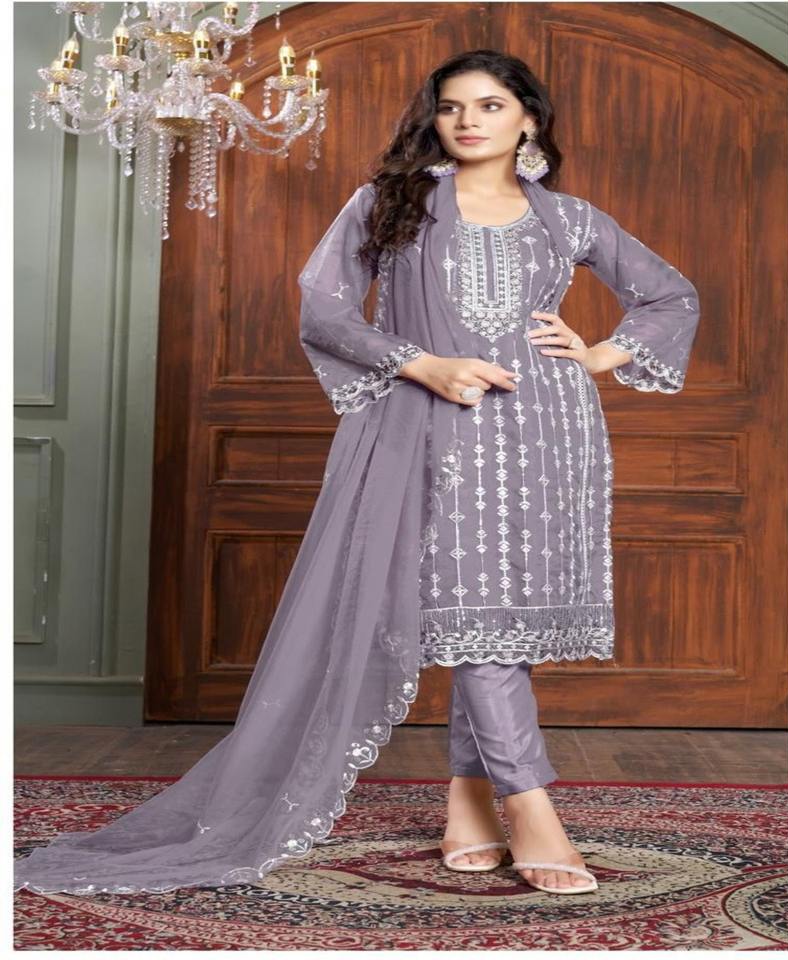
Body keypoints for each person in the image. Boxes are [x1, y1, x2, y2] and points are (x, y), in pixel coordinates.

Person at [14, 49, 699, 898]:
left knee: (502, 624)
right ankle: (531, 804)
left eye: (490, 105)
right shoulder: (392, 203)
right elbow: (327, 312)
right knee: (474, 613)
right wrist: (421, 363)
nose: (469, 121)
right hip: (432, 430)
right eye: (452, 106)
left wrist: (597, 354)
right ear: (434, 118)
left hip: (547, 435)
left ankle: (469, 800)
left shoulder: (569, 219)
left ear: (530, 118)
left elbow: (672, 296)